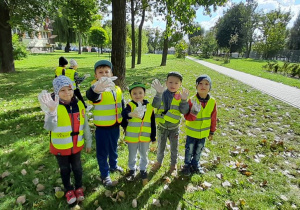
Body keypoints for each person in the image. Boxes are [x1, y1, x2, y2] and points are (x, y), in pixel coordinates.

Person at [38, 75, 92, 205]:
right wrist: (51, 112)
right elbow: (48, 127)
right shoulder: (53, 106)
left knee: (78, 168)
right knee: (65, 169)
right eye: (62, 90)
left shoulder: (79, 104)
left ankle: (78, 187)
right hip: (61, 147)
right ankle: (68, 189)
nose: (67, 93)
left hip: (76, 145)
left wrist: (88, 141)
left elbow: (85, 125)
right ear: (57, 92)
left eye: (69, 89)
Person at [86, 60, 124, 187]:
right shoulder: (96, 88)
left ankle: (113, 165)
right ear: (96, 75)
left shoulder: (117, 89)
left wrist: (124, 122)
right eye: (100, 72)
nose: (104, 74)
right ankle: (104, 174)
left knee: (113, 147)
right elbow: (91, 96)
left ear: (111, 73)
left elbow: (121, 106)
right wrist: (96, 90)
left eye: (107, 72)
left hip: (115, 126)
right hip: (102, 128)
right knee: (102, 152)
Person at [151, 72, 190, 174]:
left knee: (174, 148)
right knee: (161, 146)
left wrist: (184, 100)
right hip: (162, 127)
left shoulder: (181, 96)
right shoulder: (162, 93)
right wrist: (158, 93)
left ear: (180, 85)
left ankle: (173, 164)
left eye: (176, 83)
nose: (173, 85)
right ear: (166, 83)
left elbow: (184, 111)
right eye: (170, 82)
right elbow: (155, 105)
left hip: (174, 128)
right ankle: (159, 162)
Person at [182, 74, 217, 176]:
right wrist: (193, 112)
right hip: (192, 132)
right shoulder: (192, 100)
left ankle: (195, 164)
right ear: (196, 86)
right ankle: (187, 165)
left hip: (203, 133)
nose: (203, 86)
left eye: (206, 84)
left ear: (210, 87)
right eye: (200, 83)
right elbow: (186, 116)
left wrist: (212, 131)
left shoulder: (212, 102)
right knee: (189, 150)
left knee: (199, 150)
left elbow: (213, 117)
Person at [122, 82, 156, 185]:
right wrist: (130, 114)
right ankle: (132, 169)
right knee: (132, 154)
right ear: (131, 95)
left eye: (140, 93)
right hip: (132, 137)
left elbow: (153, 123)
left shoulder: (150, 107)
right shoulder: (130, 106)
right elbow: (123, 114)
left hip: (145, 137)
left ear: (144, 93)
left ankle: (143, 169)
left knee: (144, 154)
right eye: (134, 93)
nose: (138, 95)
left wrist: (153, 137)